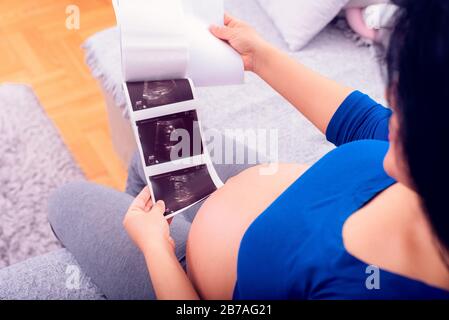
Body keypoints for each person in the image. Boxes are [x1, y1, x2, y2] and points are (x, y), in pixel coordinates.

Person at [49, 0, 449, 299]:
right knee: (152, 153)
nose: (392, 102)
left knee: (65, 199)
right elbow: (363, 122)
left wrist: (156, 250)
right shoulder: (426, 159)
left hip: (185, 276)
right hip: (282, 202)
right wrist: (259, 56)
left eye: (407, 103)